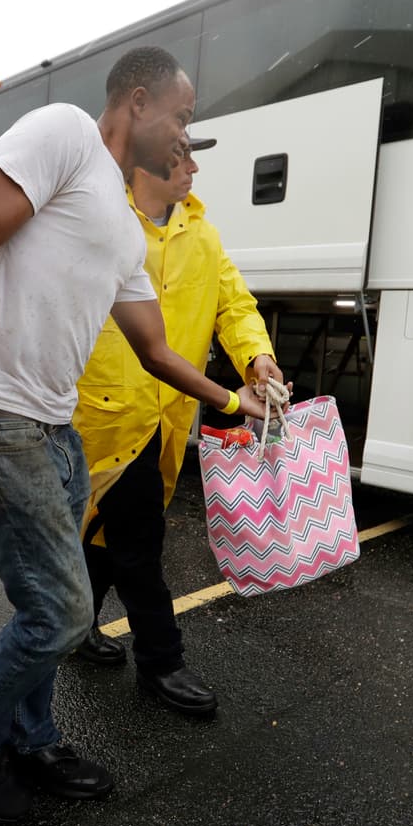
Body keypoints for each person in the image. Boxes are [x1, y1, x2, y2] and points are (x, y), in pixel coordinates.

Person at [0, 46, 270, 824]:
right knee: (64, 612)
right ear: (136, 102)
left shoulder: (120, 221)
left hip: (57, 432)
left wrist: (234, 403)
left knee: (45, 602)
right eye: (181, 115)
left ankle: (35, 739)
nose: (185, 136)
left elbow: (156, 348)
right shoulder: (63, 133)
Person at [72, 138, 284, 716]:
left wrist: (256, 358)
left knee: (105, 531)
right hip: (108, 413)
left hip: (168, 417)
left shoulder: (202, 233)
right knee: (140, 542)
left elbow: (233, 306)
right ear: (143, 165)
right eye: (181, 156)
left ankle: (71, 626)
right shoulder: (102, 220)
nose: (193, 167)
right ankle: (162, 664)